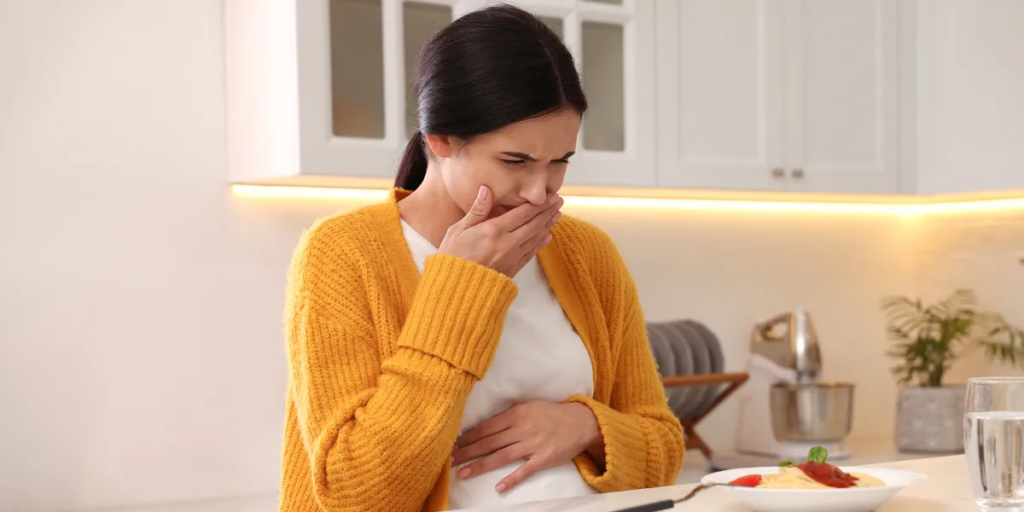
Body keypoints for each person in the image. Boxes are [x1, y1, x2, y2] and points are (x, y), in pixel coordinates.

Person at [279, 5, 684, 511]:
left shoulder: (587, 253)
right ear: (441, 140)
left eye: (560, 162)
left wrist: (586, 427)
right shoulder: (342, 255)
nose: (540, 192)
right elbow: (356, 494)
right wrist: (462, 287)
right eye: (515, 161)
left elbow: (665, 450)